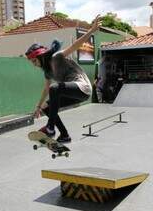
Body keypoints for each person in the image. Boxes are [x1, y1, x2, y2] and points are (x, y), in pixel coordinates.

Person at [25, 15, 102, 143]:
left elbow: (75, 46)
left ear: (41, 57)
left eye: (34, 61)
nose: (34, 64)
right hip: (73, 94)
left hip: (82, 87)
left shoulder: (56, 57)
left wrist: (91, 30)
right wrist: (39, 107)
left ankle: (50, 128)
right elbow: (45, 90)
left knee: (54, 89)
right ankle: (64, 135)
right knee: (46, 107)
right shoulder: (47, 71)